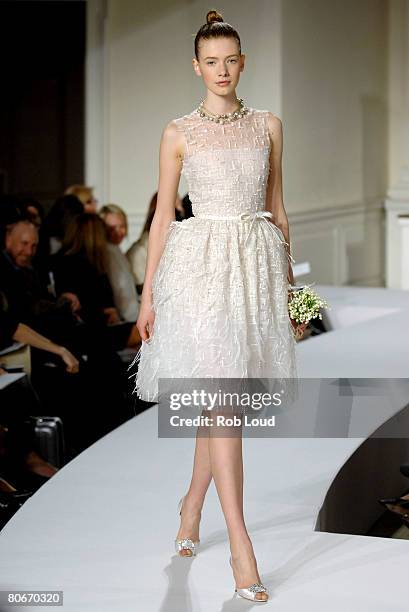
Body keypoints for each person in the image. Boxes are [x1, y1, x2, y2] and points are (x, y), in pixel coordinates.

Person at [129, 10, 309, 602]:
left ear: (243, 62)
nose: (222, 70)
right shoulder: (178, 132)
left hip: (253, 272)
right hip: (200, 272)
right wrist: (148, 296)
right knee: (224, 401)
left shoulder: (269, 126)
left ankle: (191, 505)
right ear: (197, 66)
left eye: (231, 59)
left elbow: (280, 212)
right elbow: (161, 217)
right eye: (212, 61)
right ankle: (240, 544)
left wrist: (297, 297)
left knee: (219, 403)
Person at [99, 204, 140, 324]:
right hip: (126, 318)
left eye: (122, 226)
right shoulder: (107, 253)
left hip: (132, 313)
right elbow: (119, 291)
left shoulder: (116, 249)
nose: (118, 232)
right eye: (111, 228)